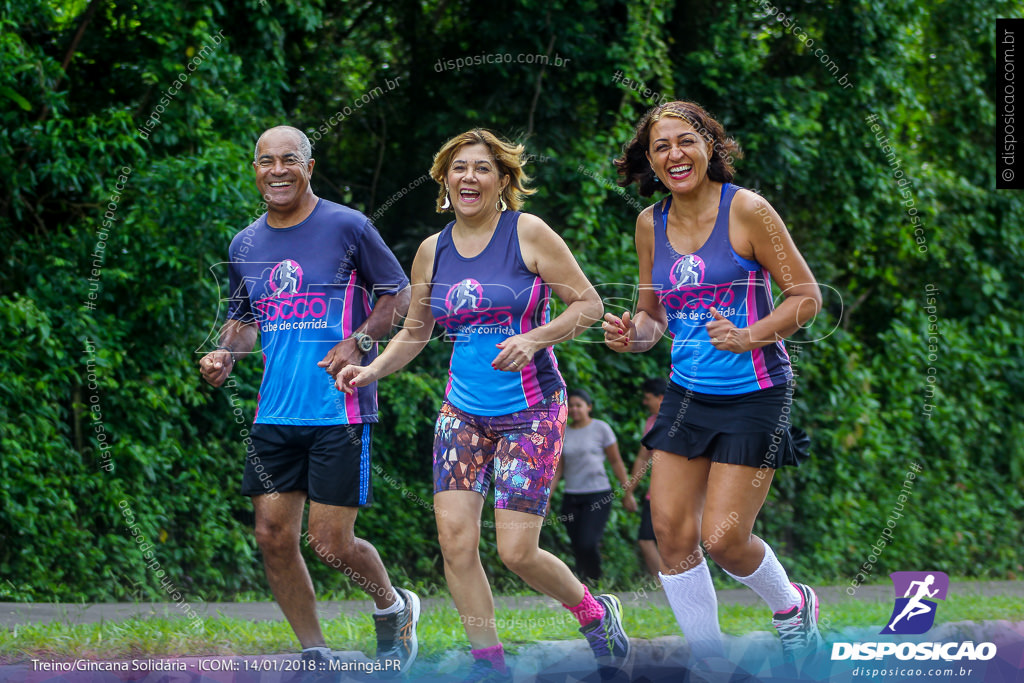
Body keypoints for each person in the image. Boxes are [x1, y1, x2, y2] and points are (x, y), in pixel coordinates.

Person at [336, 129, 630, 682]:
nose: (469, 177)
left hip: (532, 410)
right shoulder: (433, 250)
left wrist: (536, 338)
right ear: (445, 180)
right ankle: (489, 666)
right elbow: (417, 332)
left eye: (482, 169)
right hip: (462, 411)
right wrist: (372, 367)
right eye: (458, 168)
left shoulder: (530, 234)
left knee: (517, 552)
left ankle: (595, 614)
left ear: (503, 181)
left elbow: (589, 304)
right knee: (455, 543)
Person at [604, 101, 824, 666]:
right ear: (650, 161)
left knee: (723, 539)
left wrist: (751, 334)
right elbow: (653, 316)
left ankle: (792, 605)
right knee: (672, 536)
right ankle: (708, 661)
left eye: (685, 141)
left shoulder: (749, 211)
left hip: (756, 391)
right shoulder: (649, 224)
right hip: (686, 394)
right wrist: (635, 334)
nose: (674, 154)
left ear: (709, 147)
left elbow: (806, 296)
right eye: (660, 147)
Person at [199, 125, 419, 675]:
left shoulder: (348, 226)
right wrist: (224, 353)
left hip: (338, 408)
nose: (277, 170)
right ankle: (314, 651)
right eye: (265, 161)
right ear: (255, 169)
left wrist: (359, 341)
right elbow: (245, 323)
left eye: (289, 160)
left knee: (329, 541)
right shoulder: (244, 243)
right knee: (272, 536)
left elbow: (401, 293)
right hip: (274, 412)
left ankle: (394, 608)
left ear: (309, 167)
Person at [550, 388, 635, 584]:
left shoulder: (601, 428)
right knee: (577, 544)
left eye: (579, 405)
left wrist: (627, 492)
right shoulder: (564, 433)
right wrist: (546, 497)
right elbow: (558, 470)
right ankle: (583, 584)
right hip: (572, 496)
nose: (575, 409)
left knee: (588, 542)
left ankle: (595, 579)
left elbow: (616, 462)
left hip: (598, 495)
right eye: (571, 406)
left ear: (589, 407)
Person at [623, 377, 666, 580]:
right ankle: (661, 582)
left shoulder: (682, 418)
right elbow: (642, 457)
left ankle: (678, 581)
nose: (644, 402)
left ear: (661, 397)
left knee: (675, 540)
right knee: (646, 539)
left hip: (682, 493)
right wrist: (629, 490)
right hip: (655, 493)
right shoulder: (651, 422)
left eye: (648, 398)